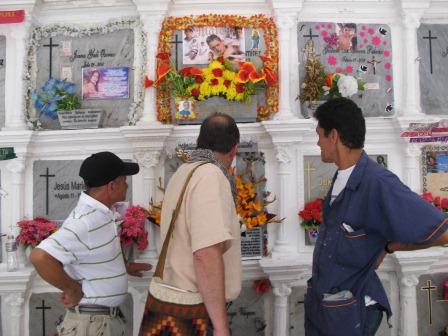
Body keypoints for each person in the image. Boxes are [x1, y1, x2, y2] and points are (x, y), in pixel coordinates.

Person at [305, 98, 448, 336]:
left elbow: (443, 233)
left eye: (319, 134)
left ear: (334, 136)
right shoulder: (344, 176)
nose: (317, 142)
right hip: (328, 308)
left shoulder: (378, 182)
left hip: (352, 311)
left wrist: (389, 247)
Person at [139, 113, 242, 336]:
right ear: (234, 149)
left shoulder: (184, 172)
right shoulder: (211, 176)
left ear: (200, 141)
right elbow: (205, 253)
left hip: (175, 299)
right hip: (192, 309)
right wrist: (221, 327)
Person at [30, 151, 152, 336]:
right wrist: (71, 288)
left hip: (100, 322)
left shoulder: (101, 215)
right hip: (92, 325)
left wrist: (123, 267)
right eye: (124, 181)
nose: (127, 186)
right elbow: (39, 256)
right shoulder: (85, 221)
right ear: (112, 186)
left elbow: (91, 253)